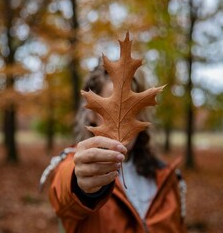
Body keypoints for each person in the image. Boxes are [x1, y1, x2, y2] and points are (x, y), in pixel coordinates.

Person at [41, 63, 187, 233]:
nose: (124, 119)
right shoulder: (73, 164)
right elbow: (63, 194)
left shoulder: (168, 178)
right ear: (90, 113)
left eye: (133, 108)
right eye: (114, 107)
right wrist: (82, 185)